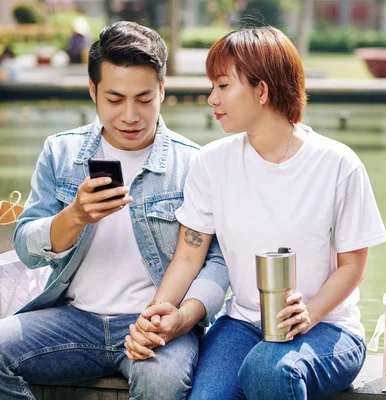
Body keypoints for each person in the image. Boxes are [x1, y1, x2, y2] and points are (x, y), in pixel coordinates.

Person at [126, 26, 386, 399]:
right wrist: (155, 315)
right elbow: (188, 254)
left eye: (223, 86)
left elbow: (353, 266)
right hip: (242, 323)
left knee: (268, 369)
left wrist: (309, 313)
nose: (211, 98)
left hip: (328, 328)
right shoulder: (212, 163)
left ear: (261, 90)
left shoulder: (337, 164)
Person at [0, 21, 228, 400]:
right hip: (72, 319)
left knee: (162, 382)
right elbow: (25, 245)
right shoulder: (62, 153)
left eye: (144, 98)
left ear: (162, 90)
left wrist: (181, 318)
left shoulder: (194, 164)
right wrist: (74, 216)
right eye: (115, 98)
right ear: (93, 90)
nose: (130, 115)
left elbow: (217, 262)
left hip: (155, 324)